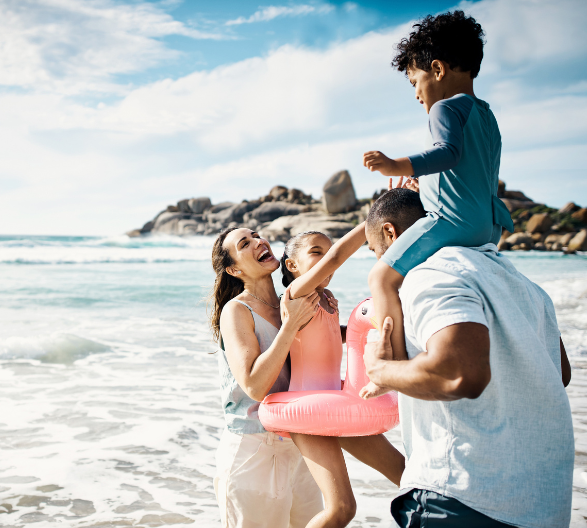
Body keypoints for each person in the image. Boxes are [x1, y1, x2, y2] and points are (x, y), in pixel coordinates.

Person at [362, 188, 574, 527]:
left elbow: (458, 375)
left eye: (375, 250)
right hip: (543, 504)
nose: (379, 261)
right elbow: (557, 374)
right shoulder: (524, 284)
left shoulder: (430, 275)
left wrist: (381, 370)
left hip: (461, 498)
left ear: (391, 233)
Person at [361, 11, 515, 391]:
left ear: (438, 69)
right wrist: (423, 184)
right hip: (488, 227)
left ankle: (390, 366)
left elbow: (448, 153)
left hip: (452, 221)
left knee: (381, 277)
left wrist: (397, 164)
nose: (416, 93)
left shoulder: (444, 108)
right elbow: (472, 171)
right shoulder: (486, 114)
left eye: (416, 81)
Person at [279, 229, 405, 527]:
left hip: (337, 405)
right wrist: (373, 223)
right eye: (316, 252)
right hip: (306, 414)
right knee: (342, 508)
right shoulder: (295, 295)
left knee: (407, 474)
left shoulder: (326, 300)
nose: (327, 261)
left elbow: (332, 337)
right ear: (292, 266)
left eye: (327, 251)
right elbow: (337, 256)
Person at [210, 227, 324, 528]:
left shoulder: (292, 299)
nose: (260, 242)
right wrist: (291, 326)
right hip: (253, 450)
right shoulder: (236, 311)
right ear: (234, 269)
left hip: (301, 444)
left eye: (257, 235)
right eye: (245, 243)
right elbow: (254, 385)